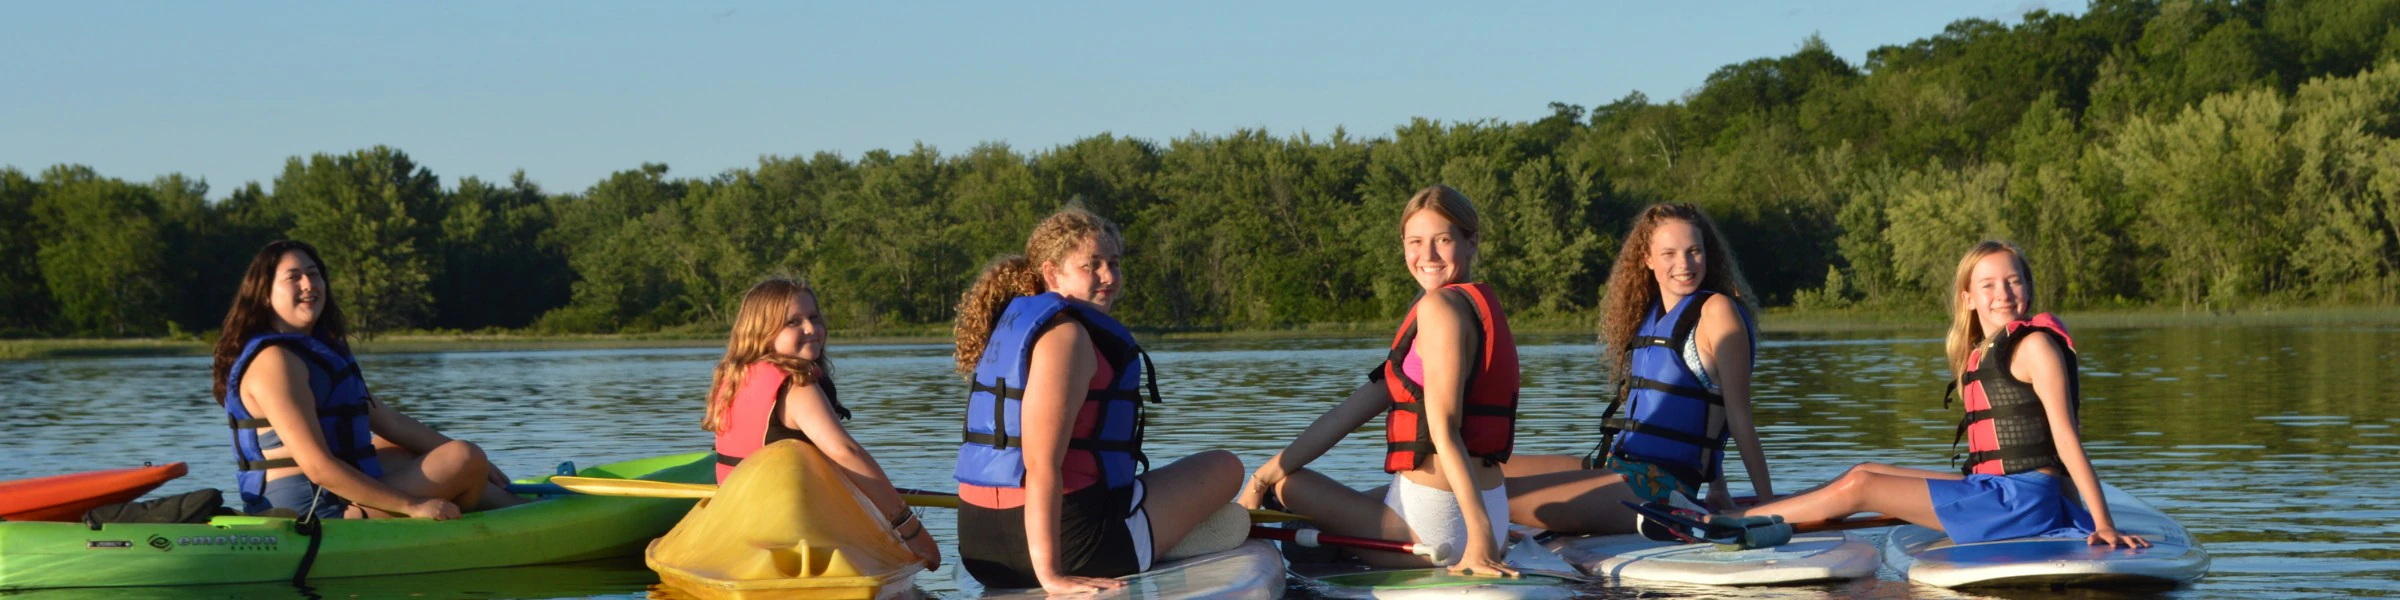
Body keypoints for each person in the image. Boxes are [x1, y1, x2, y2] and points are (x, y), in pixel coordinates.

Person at [1695, 241, 2148, 549]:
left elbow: (2066, 440)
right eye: (1988, 285)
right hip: (1996, 489)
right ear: (1968, 297)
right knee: (1865, 469)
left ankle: (1735, 523)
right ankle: (1761, 510)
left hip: (2022, 502)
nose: (2004, 294)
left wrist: (2098, 522)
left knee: (1862, 487)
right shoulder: (1982, 351)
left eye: (2013, 282)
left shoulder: (2034, 346)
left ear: (2027, 289)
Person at [951, 206, 1245, 594]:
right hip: (1071, 548)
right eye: (1092, 265)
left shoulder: (1015, 330)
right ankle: (1151, 541)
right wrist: (1051, 578)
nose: (1108, 276)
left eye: (1114, 263)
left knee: (1217, 507)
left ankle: (1149, 531)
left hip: (982, 551)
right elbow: (1041, 466)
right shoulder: (1067, 338)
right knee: (1225, 468)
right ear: (1052, 273)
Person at [1237, 185, 1521, 577]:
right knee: (1312, 486)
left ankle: (1311, 534)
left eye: (1442, 240)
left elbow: (1443, 429)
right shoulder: (1474, 302)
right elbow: (1352, 410)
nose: (1428, 256)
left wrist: (1479, 543)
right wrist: (1261, 473)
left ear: (1471, 242)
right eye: (1415, 242)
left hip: (1441, 532)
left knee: (1288, 486)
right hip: (1490, 514)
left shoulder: (1437, 307)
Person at [1498, 202, 1774, 534]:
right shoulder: (1650, 314)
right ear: (1647, 259)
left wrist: (1769, 504)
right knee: (1482, 468)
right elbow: (1695, 411)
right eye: (1669, 253)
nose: (1684, 264)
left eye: (1694, 251)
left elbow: (1737, 416)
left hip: (1657, 489)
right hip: (1616, 466)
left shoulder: (1717, 312)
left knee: (1492, 496)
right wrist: (1718, 487)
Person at [212, 240, 526, 521]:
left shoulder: (316, 353)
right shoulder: (275, 361)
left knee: (405, 449)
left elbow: (392, 423)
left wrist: (485, 468)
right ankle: (520, 519)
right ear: (264, 296)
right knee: (462, 456)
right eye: (293, 277)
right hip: (310, 511)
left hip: (334, 495)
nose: (309, 284)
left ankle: (518, 506)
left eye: (314, 274)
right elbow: (317, 466)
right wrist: (411, 506)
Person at [702, 277, 941, 569]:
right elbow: (845, 453)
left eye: (814, 317)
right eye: (793, 322)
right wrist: (912, 531)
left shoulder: (731, 378)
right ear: (762, 331)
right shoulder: (796, 385)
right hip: (787, 532)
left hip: (735, 526)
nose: (811, 329)